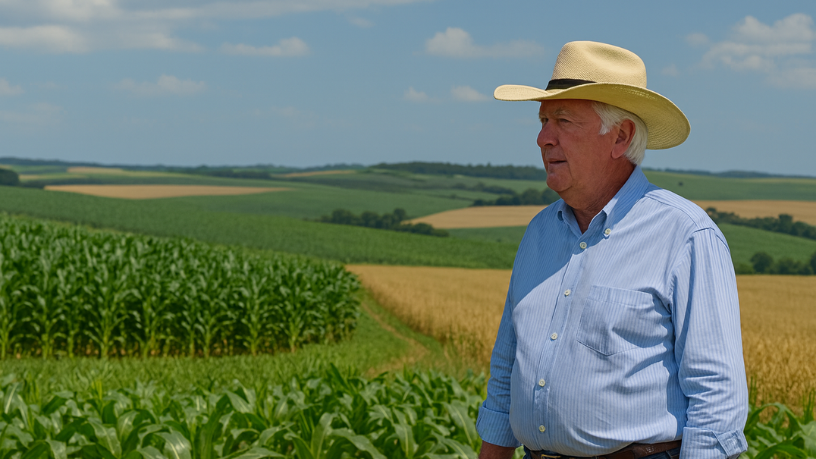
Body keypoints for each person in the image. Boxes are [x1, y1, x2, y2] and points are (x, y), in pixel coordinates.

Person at [476, 41, 748, 459]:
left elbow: (717, 401)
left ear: (620, 136)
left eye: (563, 120)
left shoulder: (685, 234)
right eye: (544, 120)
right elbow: (506, 371)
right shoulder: (539, 232)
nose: (543, 138)